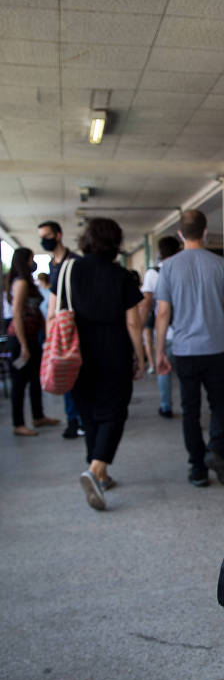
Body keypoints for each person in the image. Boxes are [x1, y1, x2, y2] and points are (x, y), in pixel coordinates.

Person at [48, 218, 145, 511]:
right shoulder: (122, 276)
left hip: (76, 353)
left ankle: (100, 475)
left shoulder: (67, 270)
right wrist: (141, 356)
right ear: (115, 242)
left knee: (88, 413)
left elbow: (52, 315)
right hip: (114, 354)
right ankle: (95, 469)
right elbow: (133, 322)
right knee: (114, 412)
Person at [155, 210, 224, 487]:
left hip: (184, 351)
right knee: (220, 404)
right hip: (215, 349)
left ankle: (197, 469)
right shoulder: (219, 264)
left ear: (180, 234)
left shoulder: (168, 267)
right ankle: (216, 449)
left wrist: (159, 351)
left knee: (189, 410)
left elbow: (163, 313)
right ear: (205, 232)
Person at [38, 220, 84, 440]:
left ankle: (80, 418)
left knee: (75, 372)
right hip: (58, 328)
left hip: (73, 326)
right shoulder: (52, 264)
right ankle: (73, 419)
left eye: (47, 235)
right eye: (41, 237)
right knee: (63, 371)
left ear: (58, 235)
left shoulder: (74, 262)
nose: (43, 240)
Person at [7, 248, 59, 436]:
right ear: (25, 260)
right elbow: (17, 314)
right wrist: (23, 345)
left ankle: (38, 416)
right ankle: (18, 424)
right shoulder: (21, 282)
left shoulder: (28, 282)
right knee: (19, 382)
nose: (33, 262)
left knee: (36, 379)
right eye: (32, 259)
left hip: (32, 337)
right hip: (20, 339)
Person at [139, 236, 181, 418]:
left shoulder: (152, 273)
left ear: (160, 252)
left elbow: (147, 302)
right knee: (186, 373)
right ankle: (188, 407)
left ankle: (166, 406)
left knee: (163, 368)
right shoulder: (182, 269)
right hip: (185, 330)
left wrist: (140, 326)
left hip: (165, 330)